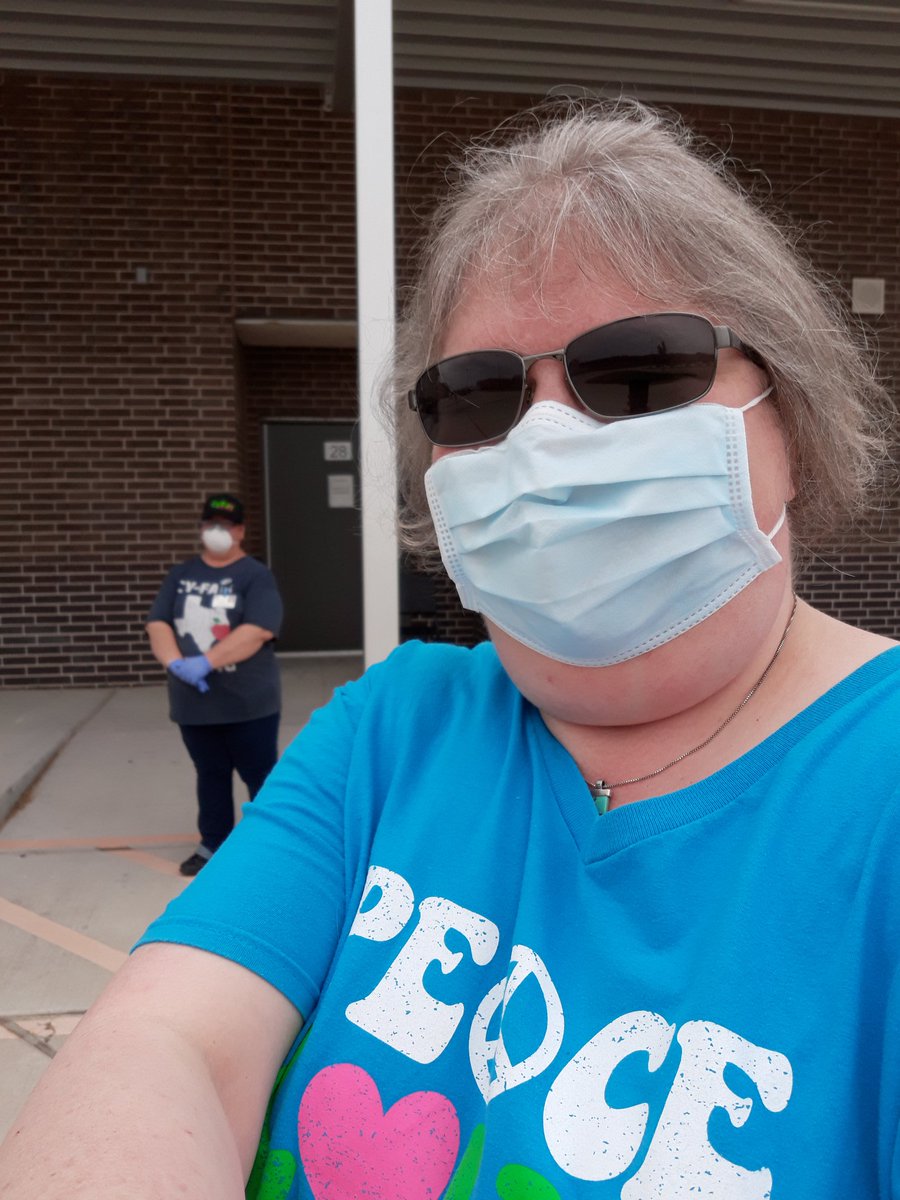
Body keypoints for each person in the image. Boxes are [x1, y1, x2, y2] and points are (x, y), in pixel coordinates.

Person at [1, 101, 898, 1199]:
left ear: (792, 422)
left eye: (641, 371)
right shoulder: (395, 730)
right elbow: (165, 1046)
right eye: (479, 396)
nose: (547, 438)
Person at [145, 492, 284, 876]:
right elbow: (158, 623)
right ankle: (213, 844)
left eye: (227, 525)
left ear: (240, 531)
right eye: (211, 524)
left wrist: (206, 662)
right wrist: (176, 663)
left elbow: (259, 629)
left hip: (249, 703)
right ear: (202, 528)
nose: (218, 531)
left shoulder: (255, 575)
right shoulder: (181, 575)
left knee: (260, 775)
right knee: (210, 773)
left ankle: (270, 846)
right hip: (194, 703)